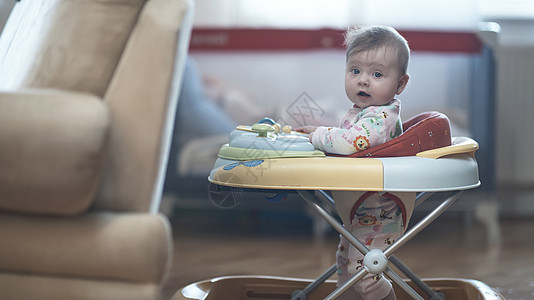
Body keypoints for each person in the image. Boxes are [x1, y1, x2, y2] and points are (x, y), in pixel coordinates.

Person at [297, 25, 413, 299]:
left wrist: (319, 135)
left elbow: (351, 142)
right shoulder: (365, 112)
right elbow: (347, 138)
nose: (363, 80)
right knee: (347, 266)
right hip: (361, 207)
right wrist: (321, 131)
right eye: (355, 71)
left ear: (400, 84)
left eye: (377, 74)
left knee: (367, 274)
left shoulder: (381, 118)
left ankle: (384, 295)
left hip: (381, 208)